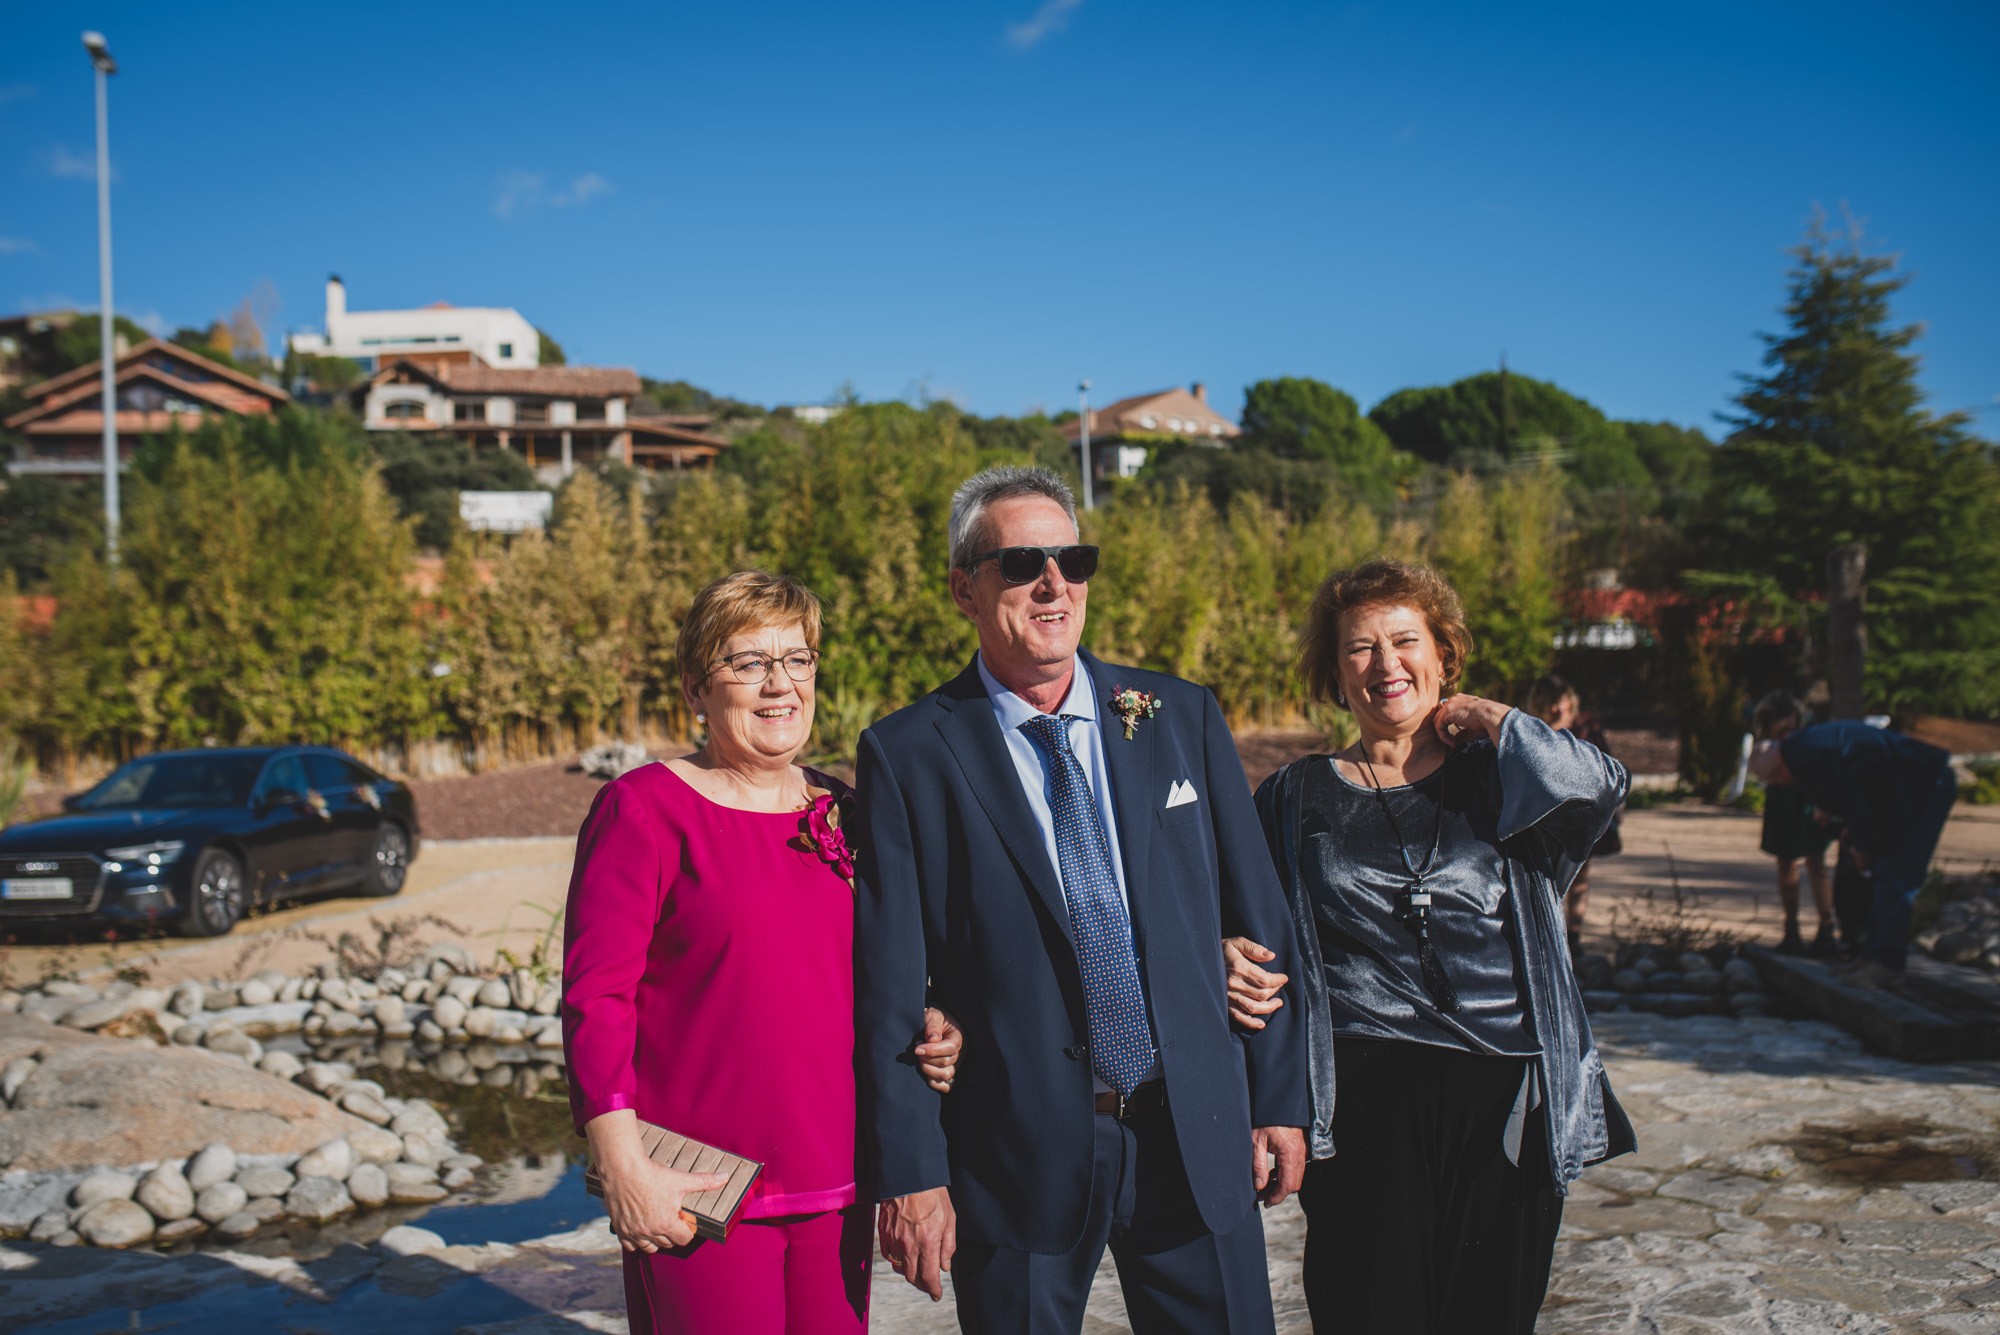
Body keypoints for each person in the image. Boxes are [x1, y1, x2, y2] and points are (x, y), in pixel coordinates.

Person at [854, 466, 1310, 1333]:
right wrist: (911, 1169)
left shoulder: (1177, 713)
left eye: (1073, 558)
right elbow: (891, 979)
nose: (1055, 583)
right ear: (965, 588)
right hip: (1015, 1151)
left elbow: (1260, 920)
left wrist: (1279, 1097)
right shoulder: (909, 752)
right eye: (1023, 561)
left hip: (1194, 1130)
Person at [1222, 559, 1634, 1335]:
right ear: (1333, 670)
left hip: (1506, 1094)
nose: (1385, 665)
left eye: (1405, 640)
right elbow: (1241, 922)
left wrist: (1498, 720)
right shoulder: (1292, 796)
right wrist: (1224, 951)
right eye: (1359, 647)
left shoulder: (1505, 777)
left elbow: (1602, 786)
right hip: (1363, 1096)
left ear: (1443, 653)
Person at [563, 570, 965, 1335]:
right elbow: (595, 998)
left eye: (798, 659)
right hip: (702, 1189)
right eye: (748, 663)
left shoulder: (843, 810)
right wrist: (622, 1165)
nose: (780, 684)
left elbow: (882, 970)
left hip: (839, 1182)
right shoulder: (645, 808)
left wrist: (933, 1015)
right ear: (694, 689)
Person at [1748, 717, 1958, 983]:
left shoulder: (1805, 757)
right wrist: (1850, 829)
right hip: (1904, 789)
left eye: (1777, 783)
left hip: (1926, 785)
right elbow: (1857, 786)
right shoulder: (1803, 747)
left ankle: (1887, 963)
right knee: (1884, 873)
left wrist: (1863, 848)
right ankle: (1871, 956)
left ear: (1779, 772)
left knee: (1896, 873)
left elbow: (1854, 804)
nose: (1785, 787)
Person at [1525, 674, 1619, 957]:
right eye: (1552, 702)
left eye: (1563, 700)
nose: (1559, 708)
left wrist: (1615, 808)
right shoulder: (1533, 730)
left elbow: (1606, 767)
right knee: (1542, 876)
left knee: (1579, 875)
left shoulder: (1585, 726)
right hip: (1543, 816)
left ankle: (1573, 938)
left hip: (1582, 813)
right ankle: (1546, 937)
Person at [1749, 692, 1838, 957]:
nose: (1786, 729)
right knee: (1786, 862)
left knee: (1816, 861)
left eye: (1790, 723)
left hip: (1808, 794)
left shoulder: (1808, 737)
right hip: (1782, 800)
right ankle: (1791, 929)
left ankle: (1826, 927)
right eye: (1780, 725)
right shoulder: (1767, 745)